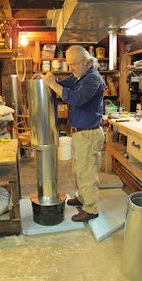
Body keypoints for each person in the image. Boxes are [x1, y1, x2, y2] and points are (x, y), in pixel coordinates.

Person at [43, 45, 105, 222]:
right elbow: (63, 85)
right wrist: (46, 79)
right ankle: (83, 198)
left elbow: (76, 99)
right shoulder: (80, 76)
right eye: (68, 65)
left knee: (87, 172)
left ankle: (91, 209)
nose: (71, 69)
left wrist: (53, 84)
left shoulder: (92, 79)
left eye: (74, 65)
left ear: (85, 62)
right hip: (80, 134)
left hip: (89, 134)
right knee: (79, 170)